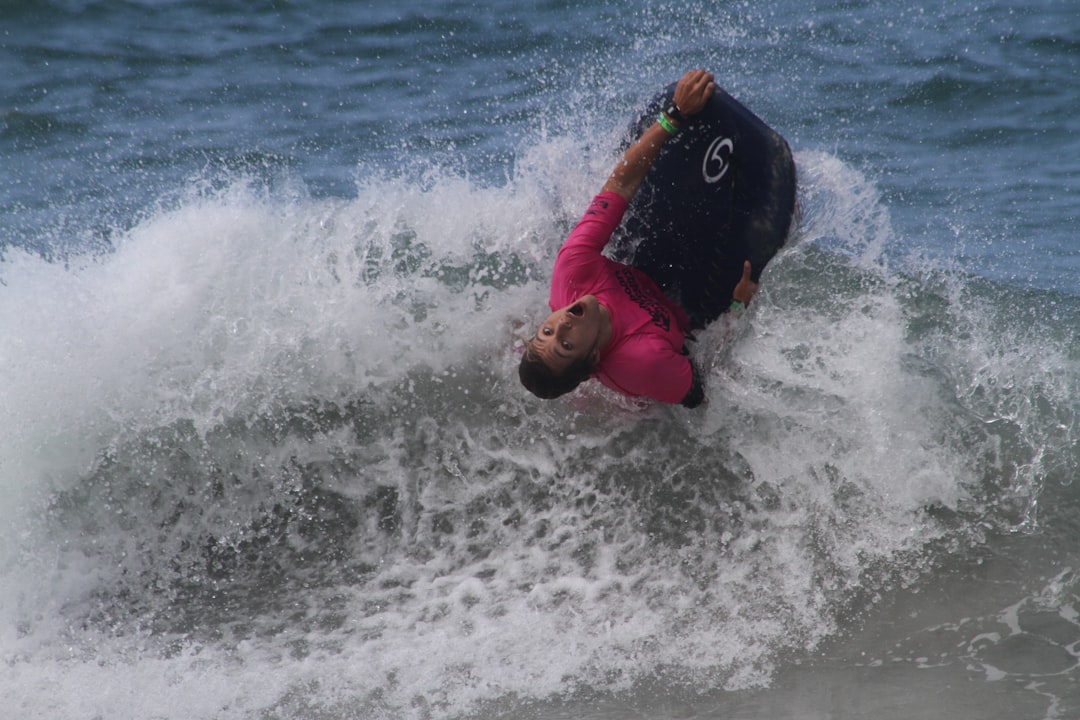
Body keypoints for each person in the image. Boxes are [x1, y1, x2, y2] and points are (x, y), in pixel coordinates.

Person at [518, 69, 760, 408]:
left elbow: (619, 185)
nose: (561, 325)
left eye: (546, 331)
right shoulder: (644, 362)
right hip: (675, 335)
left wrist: (673, 117)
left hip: (641, 277)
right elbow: (703, 388)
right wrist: (738, 310)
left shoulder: (572, 273)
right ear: (594, 358)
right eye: (567, 345)